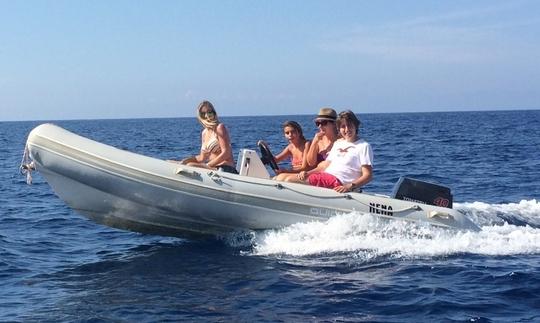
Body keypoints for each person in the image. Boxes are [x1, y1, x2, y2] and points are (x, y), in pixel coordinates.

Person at [297, 110, 373, 193]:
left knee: (286, 179)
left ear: (356, 126)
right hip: (325, 177)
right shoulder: (338, 143)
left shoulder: (364, 146)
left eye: (350, 125)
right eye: (343, 126)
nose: (347, 129)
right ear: (339, 128)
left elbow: (367, 175)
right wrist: (307, 173)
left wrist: (349, 186)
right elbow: (323, 167)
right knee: (282, 177)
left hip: (338, 182)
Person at [176, 100, 237, 174]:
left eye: (209, 112)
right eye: (203, 113)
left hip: (226, 168)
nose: (207, 115)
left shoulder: (220, 127)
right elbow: (202, 158)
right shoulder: (204, 133)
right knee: (176, 162)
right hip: (213, 167)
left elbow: (226, 153)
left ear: (214, 112)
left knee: (191, 165)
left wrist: (208, 165)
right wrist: (186, 160)